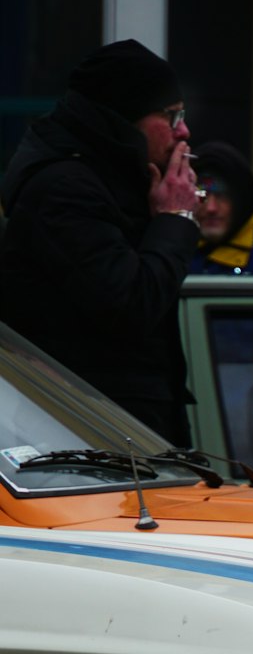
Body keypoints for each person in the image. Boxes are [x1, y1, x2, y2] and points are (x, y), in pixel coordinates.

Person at [0, 37, 199, 445]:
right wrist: (175, 219)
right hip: (90, 432)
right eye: (172, 114)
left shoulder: (115, 181)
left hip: (114, 423)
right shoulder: (64, 189)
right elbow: (131, 303)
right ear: (122, 119)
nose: (184, 131)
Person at [188, 140, 253, 275]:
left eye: (223, 196)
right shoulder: (175, 252)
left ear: (242, 201)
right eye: (202, 195)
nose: (211, 208)